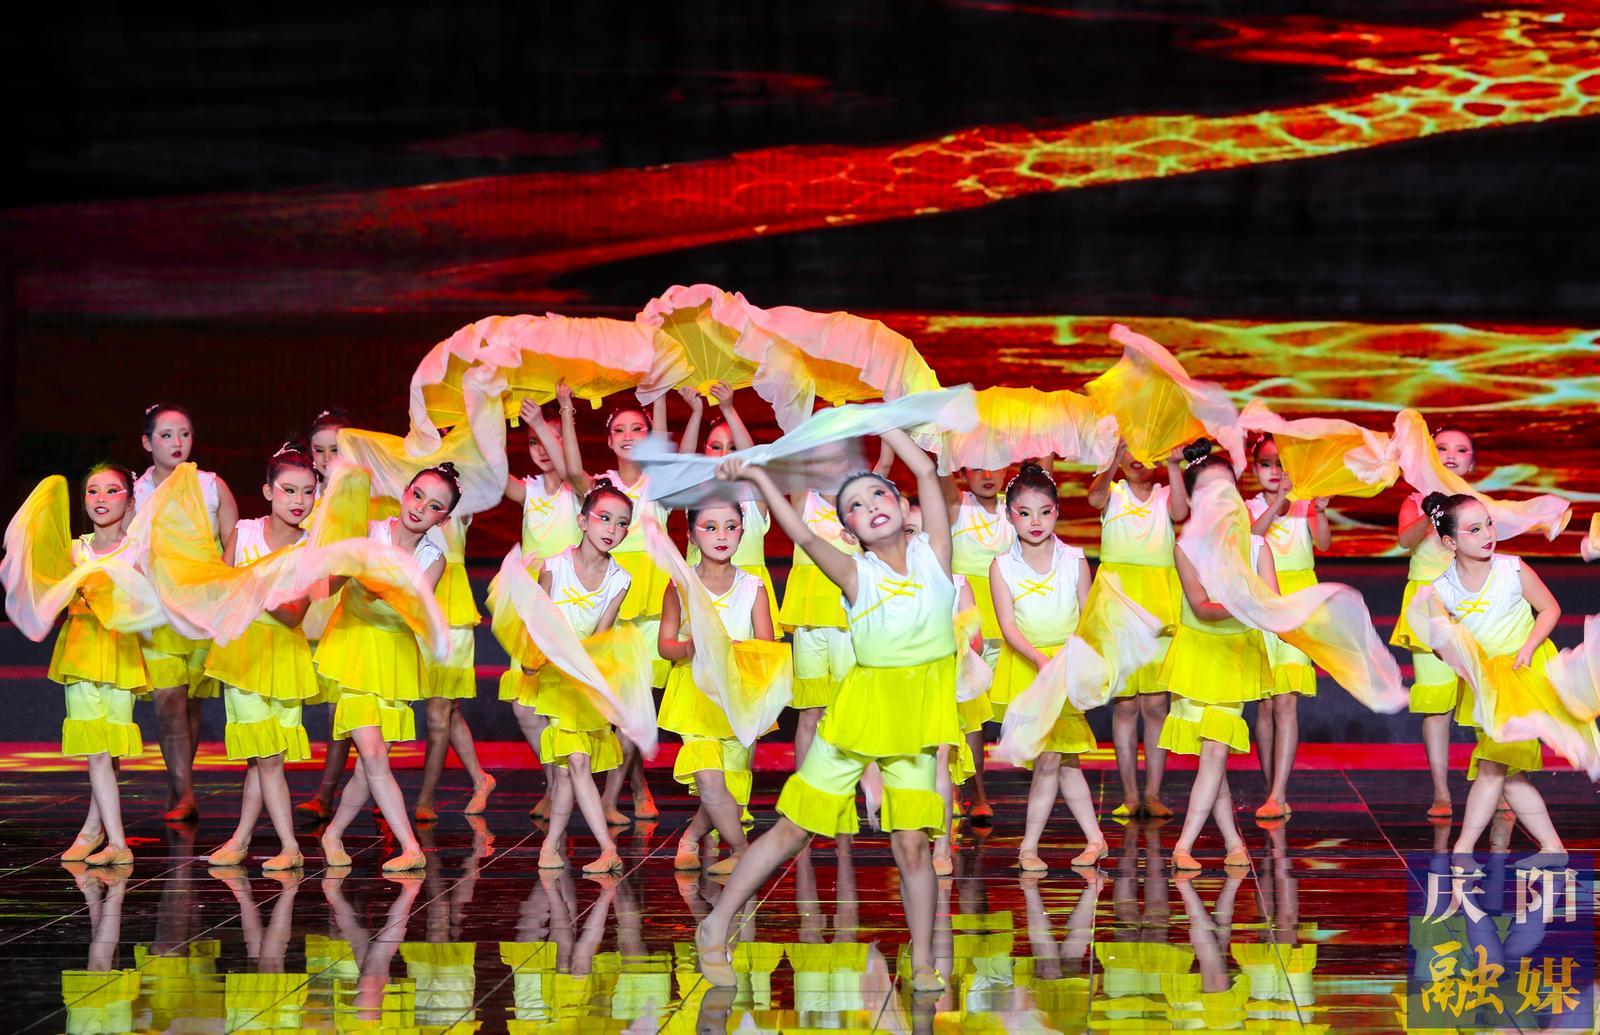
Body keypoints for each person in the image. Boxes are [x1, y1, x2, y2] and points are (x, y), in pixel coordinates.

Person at [694, 428, 956, 995]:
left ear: (901, 505)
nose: (871, 505)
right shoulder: (856, 574)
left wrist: (886, 420)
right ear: (850, 531)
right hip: (859, 716)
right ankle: (715, 925)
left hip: (917, 720)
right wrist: (758, 476)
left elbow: (926, 472)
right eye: (854, 505)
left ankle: (924, 961)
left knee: (913, 844)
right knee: (795, 828)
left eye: (879, 494)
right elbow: (801, 534)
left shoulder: (935, 557)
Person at [317, 465, 461, 872]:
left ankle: (332, 833)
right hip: (355, 649)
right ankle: (411, 847)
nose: (420, 508)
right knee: (375, 753)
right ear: (405, 491)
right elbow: (328, 583)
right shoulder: (368, 532)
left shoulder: (434, 559)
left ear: (443, 519)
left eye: (434, 506)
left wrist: (377, 581)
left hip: (395, 658)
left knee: (369, 767)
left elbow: (411, 608)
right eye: (417, 495)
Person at [4, 465, 148, 866]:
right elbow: (43, 587)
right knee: (96, 751)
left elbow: (147, 602)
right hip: (81, 655)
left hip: (120, 655)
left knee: (110, 750)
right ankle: (116, 843)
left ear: (130, 501)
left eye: (112, 491)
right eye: (92, 491)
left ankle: (94, 831)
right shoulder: (74, 550)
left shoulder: (137, 550)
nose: (101, 499)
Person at [1422, 492, 1568, 865]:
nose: (1488, 534)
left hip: (1522, 678)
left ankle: (1462, 851)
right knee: (1510, 773)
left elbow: (1549, 608)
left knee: (1490, 767)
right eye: (1474, 529)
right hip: (1486, 687)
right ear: (1450, 542)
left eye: (1488, 524)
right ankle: (1553, 849)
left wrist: (1529, 648)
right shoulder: (1440, 589)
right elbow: (1441, 644)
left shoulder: (1512, 569)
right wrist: (1455, 655)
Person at [199, 445, 322, 870]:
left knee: (266, 758)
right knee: (265, 757)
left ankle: (243, 840)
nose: (299, 500)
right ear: (268, 491)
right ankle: (289, 847)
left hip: (285, 656)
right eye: (289, 490)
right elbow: (220, 592)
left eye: (308, 491)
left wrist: (255, 588)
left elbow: (295, 614)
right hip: (243, 654)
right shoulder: (244, 533)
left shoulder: (311, 549)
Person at [1162, 441, 1276, 872]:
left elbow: (1273, 603)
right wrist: (1246, 600)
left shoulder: (1256, 546)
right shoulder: (1186, 548)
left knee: (1214, 752)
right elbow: (1203, 607)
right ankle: (1232, 842)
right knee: (1215, 758)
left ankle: (1183, 845)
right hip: (1196, 654)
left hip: (1234, 658)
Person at [988, 462, 1106, 871]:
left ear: (1057, 511)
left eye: (1044, 512)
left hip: (1065, 666)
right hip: (1030, 667)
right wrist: (1040, 660)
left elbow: (1088, 619)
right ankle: (1093, 840)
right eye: (1024, 513)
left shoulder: (1074, 559)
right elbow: (1007, 626)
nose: (1035, 522)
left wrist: (1070, 660)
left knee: (1055, 759)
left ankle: (1029, 847)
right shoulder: (1001, 565)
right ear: (1009, 515)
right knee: (1059, 760)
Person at [658, 500, 782, 875]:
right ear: (691, 536)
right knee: (711, 781)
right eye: (710, 527)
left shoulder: (753, 587)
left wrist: (740, 652)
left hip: (738, 698)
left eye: (730, 526)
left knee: (729, 789)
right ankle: (744, 851)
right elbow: (665, 645)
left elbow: (766, 646)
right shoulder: (680, 585)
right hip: (695, 695)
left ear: (742, 532)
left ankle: (690, 838)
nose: (722, 536)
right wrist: (690, 647)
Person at [523, 479, 638, 873]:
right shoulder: (553, 567)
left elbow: (600, 639)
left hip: (585, 680)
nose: (612, 529)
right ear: (583, 521)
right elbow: (537, 621)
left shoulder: (620, 579)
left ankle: (551, 846)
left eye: (621, 523)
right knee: (574, 761)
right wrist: (534, 657)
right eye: (604, 518)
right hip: (555, 678)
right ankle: (607, 849)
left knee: (568, 769)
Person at [134, 402, 239, 821]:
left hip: (202, 608)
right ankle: (185, 791)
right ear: (147, 442)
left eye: (185, 433)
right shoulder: (137, 492)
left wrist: (223, 589)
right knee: (168, 698)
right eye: (166, 435)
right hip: (157, 610)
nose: (177, 442)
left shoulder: (211, 486)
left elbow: (234, 540)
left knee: (191, 701)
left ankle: (181, 785)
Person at [1085, 439, 1188, 819]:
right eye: (1131, 449)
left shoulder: (1164, 494)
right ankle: (1130, 794)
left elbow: (1181, 512)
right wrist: (1113, 458)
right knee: (1126, 703)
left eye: (1147, 450)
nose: (1137, 459)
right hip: (1119, 602)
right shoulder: (1112, 492)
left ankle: (1154, 793)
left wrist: (1174, 465)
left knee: (1157, 704)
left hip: (1158, 601)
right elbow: (1093, 498)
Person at [500, 390, 582, 819]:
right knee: (523, 706)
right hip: (531, 608)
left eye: (551, 439)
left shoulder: (580, 490)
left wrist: (543, 422)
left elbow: (569, 467)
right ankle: (554, 780)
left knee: (559, 705)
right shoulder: (528, 490)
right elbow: (490, 473)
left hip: (570, 606)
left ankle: (569, 784)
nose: (542, 448)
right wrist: (488, 412)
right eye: (534, 441)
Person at [1244, 434, 1331, 820]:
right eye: (1266, 464)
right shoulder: (1247, 507)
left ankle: (1278, 793)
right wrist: (1280, 499)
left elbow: (1324, 545)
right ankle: (1270, 788)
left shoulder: (1305, 505)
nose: (1275, 471)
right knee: (1264, 704)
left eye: (1281, 464)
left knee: (1286, 700)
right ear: (1254, 469)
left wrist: (1320, 511)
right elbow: (1253, 536)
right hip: (1262, 601)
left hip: (1298, 604)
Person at [1391, 427, 1475, 818]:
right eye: (1441, 448)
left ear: (1472, 462)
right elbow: (1405, 541)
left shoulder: (1477, 506)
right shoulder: (1415, 501)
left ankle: (1499, 785)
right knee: (1437, 701)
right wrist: (1430, 512)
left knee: (1485, 698)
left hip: (1473, 600)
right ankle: (1442, 791)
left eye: (1461, 450)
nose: (1451, 455)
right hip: (1427, 604)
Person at [939, 464, 1013, 820]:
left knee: (999, 715)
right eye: (977, 468)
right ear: (963, 472)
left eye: (994, 466)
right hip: (967, 618)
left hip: (1008, 620)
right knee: (967, 714)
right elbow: (938, 468)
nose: (987, 475)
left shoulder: (1015, 505)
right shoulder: (958, 505)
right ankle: (966, 792)